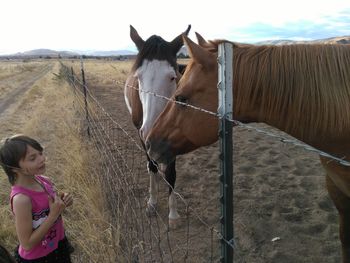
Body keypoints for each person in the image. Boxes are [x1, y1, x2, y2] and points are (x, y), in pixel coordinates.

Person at [0, 135, 74, 263]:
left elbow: (52, 207)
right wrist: (53, 215)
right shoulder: (21, 200)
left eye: (40, 153)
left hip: (57, 243)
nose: (42, 159)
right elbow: (27, 244)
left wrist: (63, 202)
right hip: (39, 257)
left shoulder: (44, 181)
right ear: (13, 168)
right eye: (33, 158)